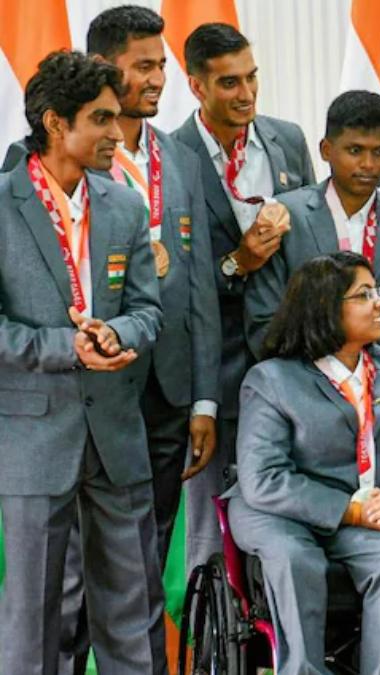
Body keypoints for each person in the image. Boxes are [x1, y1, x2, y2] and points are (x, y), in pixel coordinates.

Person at [0, 50, 165, 674]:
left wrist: (117, 333)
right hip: (32, 434)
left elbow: (149, 310)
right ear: (54, 123)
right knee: (33, 614)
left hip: (117, 430)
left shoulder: (123, 205)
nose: (117, 134)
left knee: (134, 604)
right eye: (101, 119)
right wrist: (63, 347)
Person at [229, 251, 380, 675]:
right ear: (325, 308)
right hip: (283, 514)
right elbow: (265, 480)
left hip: (371, 518)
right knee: (295, 559)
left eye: (378, 291)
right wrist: (353, 511)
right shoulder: (271, 380)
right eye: (364, 294)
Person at [172, 21, 315, 574]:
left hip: (290, 364)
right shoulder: (172, 157)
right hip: (212, 369)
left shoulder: (288, 139)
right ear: (197, 86)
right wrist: (239, 261)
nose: (247, 94)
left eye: (252, 78)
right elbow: (173, 281)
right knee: (211, 524)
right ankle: (213, 652)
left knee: (285, 514)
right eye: (229, 83)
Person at [245, 90, 380, 358]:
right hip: (302, 384)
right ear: (326, 150)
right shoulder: (287, 216)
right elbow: (264, 321)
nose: (369, 164)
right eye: (355, 150)